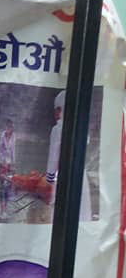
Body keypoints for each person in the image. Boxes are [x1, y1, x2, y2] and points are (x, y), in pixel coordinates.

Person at [44, 89, 92, 223]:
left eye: (56, 110)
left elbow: (53, 158)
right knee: (82, 211)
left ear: (59, 110)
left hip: (63, 177)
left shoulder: (58, 129)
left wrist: (49, 179)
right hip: (81, 176)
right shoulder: (82, 127)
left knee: (60, 213)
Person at [0, 118, 15, 219]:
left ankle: (5, 209)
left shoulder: (14, 136)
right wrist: (2, 162)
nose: (9, 129)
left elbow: (13, 150)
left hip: (10, 164)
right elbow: (0, 150)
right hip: (2, 164)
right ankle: (2, 209)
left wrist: (13, 164)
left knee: (8, 186)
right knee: (2, 187)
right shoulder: (2, 135)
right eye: (7, 127)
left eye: (10, 127)